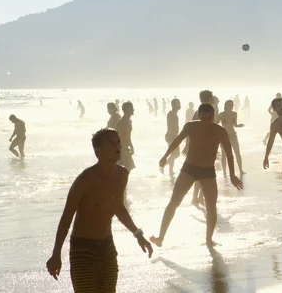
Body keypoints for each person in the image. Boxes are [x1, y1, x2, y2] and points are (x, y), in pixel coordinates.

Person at [45, 128, 153, 292]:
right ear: (98, 150)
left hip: (107, 247)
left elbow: (117, 206)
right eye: (111, 142)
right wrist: (56, 254)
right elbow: (67, 217)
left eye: (118, 142)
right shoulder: (85, 180)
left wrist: (137, 234)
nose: (117, 145)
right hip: (83, 250)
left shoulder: (122, 174)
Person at [150, 104, 243, 247]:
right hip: (189, 169)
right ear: (199, 115)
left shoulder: (220, 131)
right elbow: (177, 141)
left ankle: (208, 240)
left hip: (208, 172)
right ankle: (160, 237)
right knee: (174, 202)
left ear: (214, 116)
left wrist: (232, 175)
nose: (207, 119)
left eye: (210, 116)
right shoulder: (191, 126)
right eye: (204, 116)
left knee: (211, 206)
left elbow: (229, 154)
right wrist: (165, 156)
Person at [218, 100, 245, 175]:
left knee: (237, 153)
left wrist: (239, 125)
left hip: (233, 135)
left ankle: (240, 170)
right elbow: (216, 124)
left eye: (232, 105)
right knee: (224, 154)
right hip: (224, 136)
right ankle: (224, 171)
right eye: (229, 105)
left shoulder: (234, 114)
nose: (231, 106)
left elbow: (235, 125)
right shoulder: (221, 114)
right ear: (225, 105)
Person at [163, 99, 181, 176]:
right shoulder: (171, 114)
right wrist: (173, 136)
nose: (179, 105)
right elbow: (170, 126)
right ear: (173, 105)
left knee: (173, 154)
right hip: (171, 136)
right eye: (178, 103)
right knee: (176, 154)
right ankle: (163, 165)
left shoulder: (174, 113)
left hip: (173, 136)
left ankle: (170, 170)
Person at [116, 102, 136, 171]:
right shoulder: (124, 121)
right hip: (122, 149)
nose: (133, 109)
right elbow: (125, 136)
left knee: (126, 170)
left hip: (124, 148)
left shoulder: (127, 121)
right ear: (127, 109)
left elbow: (127, 136)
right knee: (125, 170)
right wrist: (131, 147)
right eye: (131, 108)